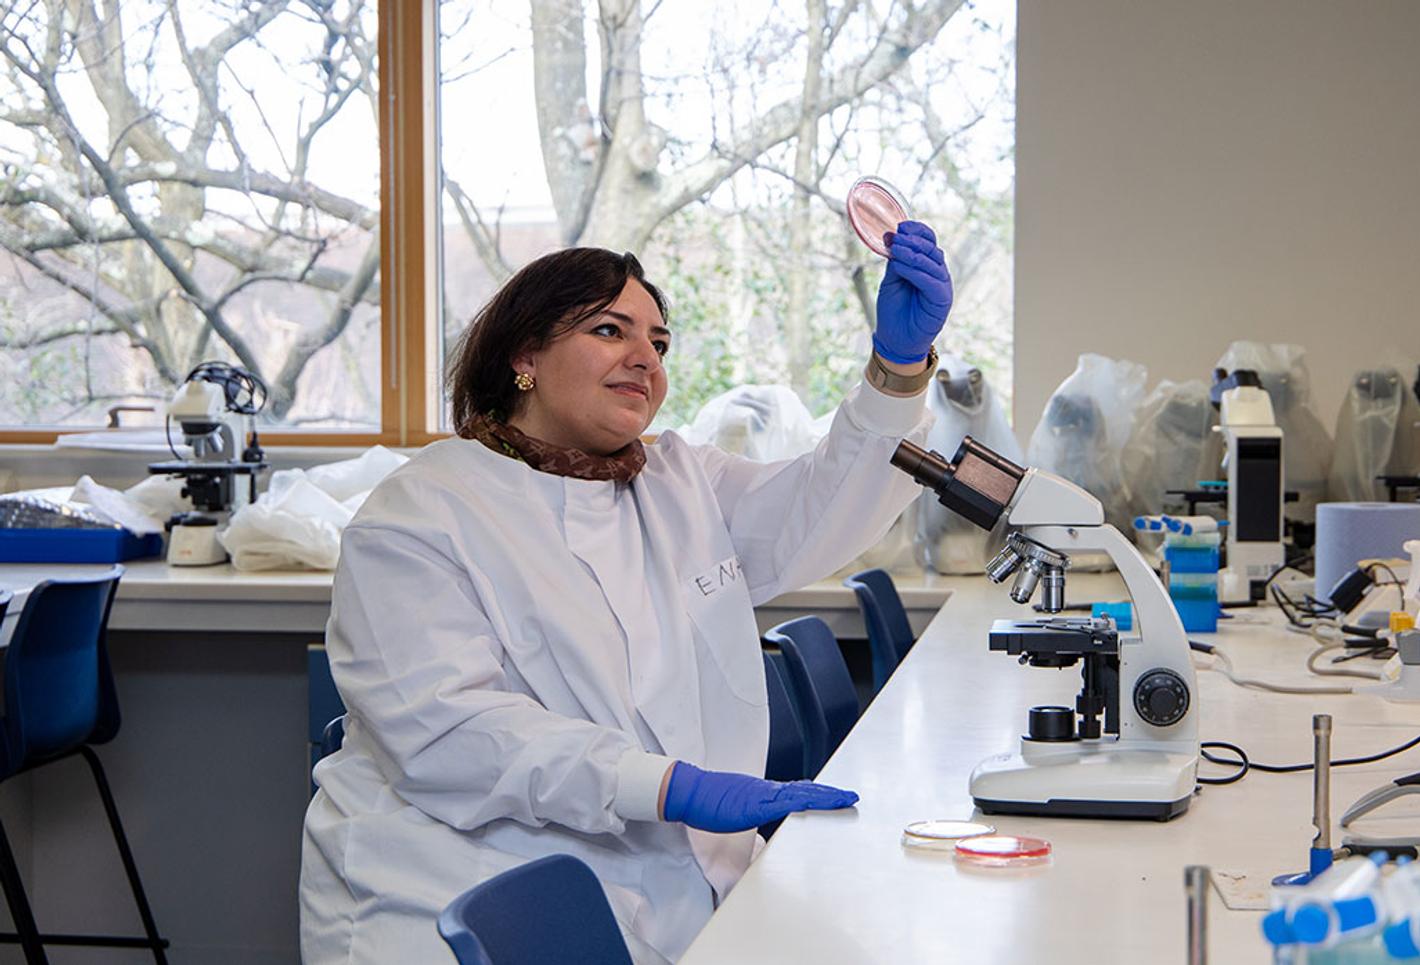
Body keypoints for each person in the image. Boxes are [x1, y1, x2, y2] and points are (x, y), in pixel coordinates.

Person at [299, 222, 953, 964]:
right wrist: (663, 784)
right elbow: (450, 729)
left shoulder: (680, 481)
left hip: (670, 885)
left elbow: (821, 505)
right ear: (525, 357)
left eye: (660, 343)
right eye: (610, 330)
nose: (645, 357)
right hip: (461, 890)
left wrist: (897, 369)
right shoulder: (421, 511)